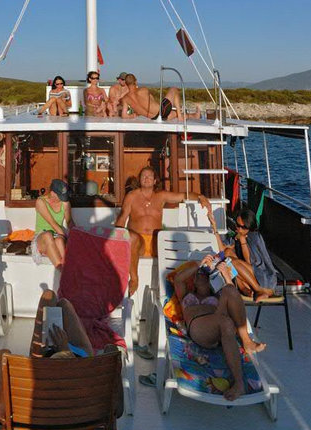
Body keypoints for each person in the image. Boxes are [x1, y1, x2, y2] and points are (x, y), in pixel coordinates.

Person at [0, 289, 123, 429]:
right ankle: (60, 349)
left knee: (49, 297)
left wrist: (61, 351)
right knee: (63, 304)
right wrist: (64, 349)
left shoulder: (33, 393)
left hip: (48, 368)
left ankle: (53, 352)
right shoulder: (94, 402)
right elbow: (118, 408)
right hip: (78, 373)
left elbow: (2, 414)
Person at [171, 256, 266, 401]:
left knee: (230, 291)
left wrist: (226, 276)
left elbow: (234, 298)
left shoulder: (217, 296)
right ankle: (240, 379)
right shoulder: (186, 294)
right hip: (199, 328)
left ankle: (246, 343)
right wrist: (199, 263)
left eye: (205, 273)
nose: (201, 274)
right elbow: (178, 279)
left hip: (219, 323)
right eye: (199, 273)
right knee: (226, 323)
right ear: (193, 280)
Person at [115, 165, 210, 294]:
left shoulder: (161, 196)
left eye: (149, 176)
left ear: (155, 181)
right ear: (139, 180)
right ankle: (135, 279)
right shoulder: (131, 196)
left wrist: (200, 197)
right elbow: (122, 218)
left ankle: (178, 286)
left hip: (156, 242)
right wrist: (116, 241)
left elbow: (182, 196)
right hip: (138, 244)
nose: (146, 178)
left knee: (173, 241)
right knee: (133, 237)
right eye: (143, 176)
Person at [207, 206, 277, 300]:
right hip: (250, 280)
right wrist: (214, 226)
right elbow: (223, 250)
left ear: (249, 226)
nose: (238, 229)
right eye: (237, 225)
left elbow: (250, 262)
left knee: (232, 261)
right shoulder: (236, 236)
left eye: (242, 227)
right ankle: (244, 289)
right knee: (227, 254)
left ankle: (258, 290)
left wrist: (243, 241)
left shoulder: (254, 237)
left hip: (265, 281)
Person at [33, 179, 74, 268]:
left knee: (59, 240)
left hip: (57, 235)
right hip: (42, 237)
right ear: (52, 193)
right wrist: (64, 237)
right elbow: (52, 223)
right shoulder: (41, 202)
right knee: (48, 235)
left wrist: (76, 236)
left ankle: (66, 269)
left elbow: (69, 222)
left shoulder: (65, 203)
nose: (63, 198)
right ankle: (63, 271)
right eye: (60, 196)